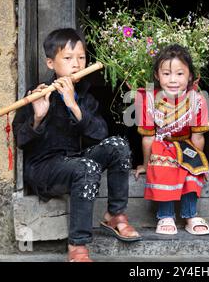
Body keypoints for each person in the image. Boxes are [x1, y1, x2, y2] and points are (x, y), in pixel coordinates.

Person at [13, 28, 141, 262]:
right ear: (51, 63)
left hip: (74, 160)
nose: (77, 64)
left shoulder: (84, 97)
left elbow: (99, 134)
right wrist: (38, 117)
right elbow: (21, 141)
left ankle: (115, 214)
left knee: (118, 145)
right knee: (86, 167)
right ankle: (77, 246)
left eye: (81, 58)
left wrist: (73, 106)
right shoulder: (36, 94)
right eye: (68, 58)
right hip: (44, 168)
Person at [134, 44, 209, 236]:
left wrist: (201, 163)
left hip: (187, 144)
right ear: (157, 76)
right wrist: (145, 164)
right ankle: (165, 215)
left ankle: (190, 215)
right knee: (163, 163)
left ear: (190, 76)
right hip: (161, 143)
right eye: (167, 74)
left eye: (179, 74)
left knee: (192, 167)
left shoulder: (197, 100)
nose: (173, 80)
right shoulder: (148, 99)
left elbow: (198, 136)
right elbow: (148, 138)